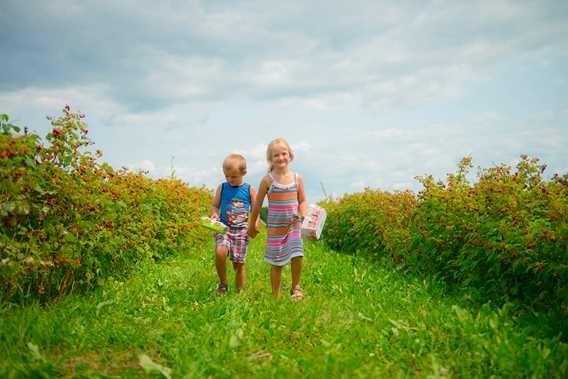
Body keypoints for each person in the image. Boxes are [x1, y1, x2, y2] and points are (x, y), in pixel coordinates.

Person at [248, 138, 307, 300]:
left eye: (284, 153)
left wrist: (302, 214)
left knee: (297, 254)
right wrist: (252, 224)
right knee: (277, 263)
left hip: (293, 225)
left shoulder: (297, 178)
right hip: (275, 229)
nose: (281, 158)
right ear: (270, 159)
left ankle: (296, 287)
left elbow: (302, 200)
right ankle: (276, 296)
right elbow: (257, 204)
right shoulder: (268, 180)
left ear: (290, 155)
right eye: (276, 155)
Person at [211, 153, 257, 295]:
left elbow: (255, 210)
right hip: (224, 227)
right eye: (227, 176)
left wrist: (253, 224)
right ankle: (223, 283)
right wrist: (214, 214)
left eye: (234, 176)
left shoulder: (249, 190)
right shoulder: (222, 188)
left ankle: (239, 293)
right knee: (220, 252)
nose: (230, 179)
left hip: (241, 230)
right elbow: (215, 206)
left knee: (238, 264)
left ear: (244, 173)